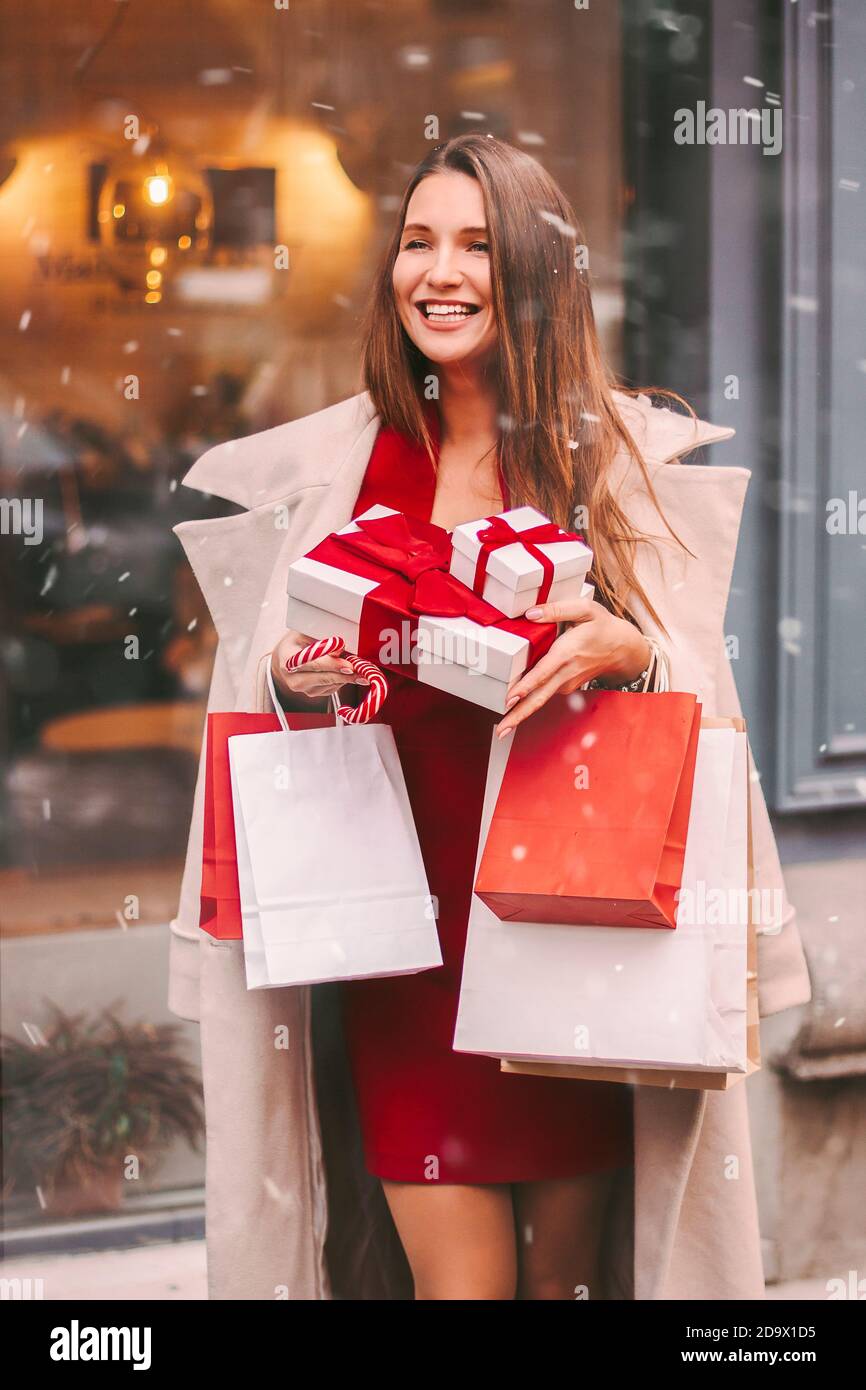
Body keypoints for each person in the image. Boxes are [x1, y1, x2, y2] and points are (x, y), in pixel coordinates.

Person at [267, 134, 687, 1300]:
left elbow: (686, 689)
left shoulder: (606, 458)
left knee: (563, 1291)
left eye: (477, 245)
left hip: (559, 936)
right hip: (398, 948)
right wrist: (295, 679)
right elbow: (273, 680)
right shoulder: (345, 468)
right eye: (417, 243)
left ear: (536, 275)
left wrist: (631, 650)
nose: (438, 273)